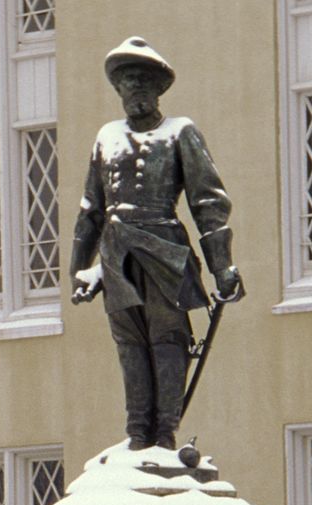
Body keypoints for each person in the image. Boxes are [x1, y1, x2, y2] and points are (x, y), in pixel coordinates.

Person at [71, 38, 242, 452]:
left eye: (144, 84)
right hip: (117, 256)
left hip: (165, 249)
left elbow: (207, 201)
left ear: (158, 90)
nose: (136, 92)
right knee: (130, 343)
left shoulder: (180, 132)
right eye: (129, 84)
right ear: (119, 91)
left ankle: (164, 432)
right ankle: (136, 432)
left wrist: (222, 267)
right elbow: (91, 208)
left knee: (168, 339)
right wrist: (80, 269)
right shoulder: (106, 137)